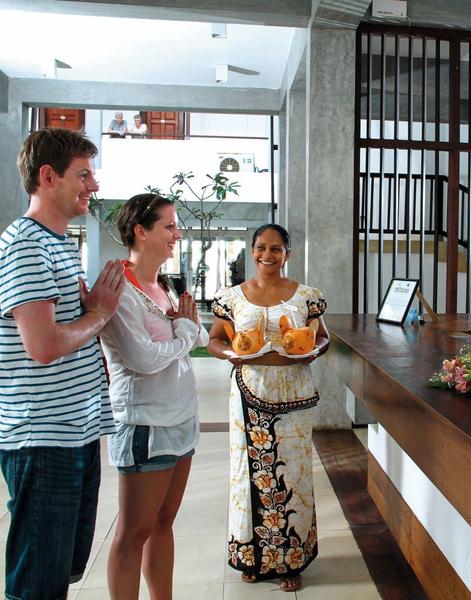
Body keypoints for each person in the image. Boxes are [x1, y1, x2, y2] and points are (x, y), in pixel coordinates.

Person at [0, 128, 125, 599]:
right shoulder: (26, 244)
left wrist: (93, 314)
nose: (93, 186)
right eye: (84, 175)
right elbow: (44, 346)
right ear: (47, 177)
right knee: (39, 581)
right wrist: (99, 314)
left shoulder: (57, 244)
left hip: (74, 430)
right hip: (43, 435)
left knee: (62, 569)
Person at [208, 224, 329, 593]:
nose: (267, 255)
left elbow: (321, 337)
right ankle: (252, 555)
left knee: (292, 476)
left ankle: (290, 560)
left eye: (276, 249)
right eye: (261, 248)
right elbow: (214, 339)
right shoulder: (232, 297)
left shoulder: (306, 296)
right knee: (248, 475)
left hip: (294, 395)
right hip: (249, 393)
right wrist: (232, 354)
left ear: (287, 254)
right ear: (252, 250)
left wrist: (312, 351)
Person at [100, 193, 208, 599]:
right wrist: (184, 333)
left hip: (180, 418)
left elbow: (194, 334)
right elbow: (143, 359)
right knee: (134, 532)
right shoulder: (119, 288)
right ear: (140, 232)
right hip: (145, 423)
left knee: (163, 523)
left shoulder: (161, 284)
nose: (176, 235)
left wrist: (187, 333)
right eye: (169, 227)